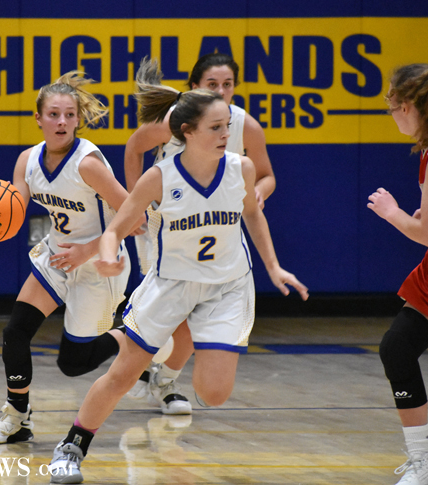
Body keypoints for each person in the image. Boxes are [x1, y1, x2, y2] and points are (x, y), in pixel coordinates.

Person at [48, 58, 308, 484]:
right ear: (187, 132)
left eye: (227, 126)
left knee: (213, 394)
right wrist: (108, 255)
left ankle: (166, 377)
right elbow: (115, 229)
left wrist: (274, 267)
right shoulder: (159, 177)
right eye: (216, 128)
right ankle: (72, 446)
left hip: (227, 286)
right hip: (171, 283)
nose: (226, 134)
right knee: (121, 375)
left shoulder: (240, 169)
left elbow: (252, 214)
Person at [0, 72, 147, 445]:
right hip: (57, 256)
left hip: (100, 261)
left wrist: (87, 250)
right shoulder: (27, 161)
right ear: (38, 118)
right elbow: (14, 211)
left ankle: (140, 335)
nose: (62, 122)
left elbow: (137, 218)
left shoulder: (87, 164)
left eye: (69, 115)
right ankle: (17, 417)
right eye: (54, 114)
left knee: (73, 363)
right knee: (15, 333)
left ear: (78, 119)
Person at [124, 53, 277, 416]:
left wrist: (258, 192)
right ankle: (145, 372)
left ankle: (163, 379)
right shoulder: (177, 121)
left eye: (228, 84)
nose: (221, 91)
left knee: (195, 319)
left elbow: (267, 176)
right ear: (195, 87)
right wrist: (134, 203)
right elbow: (134, 148)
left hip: (214, 231)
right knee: (172, 318)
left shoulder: (245, 126)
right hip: (168, 227)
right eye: (212, 84)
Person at [368, 59, 428, 485]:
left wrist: (393, 213)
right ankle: (424, 467)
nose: (391, 112)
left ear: (408, 105)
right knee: (398, 348)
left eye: (392, 104)